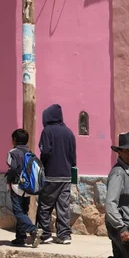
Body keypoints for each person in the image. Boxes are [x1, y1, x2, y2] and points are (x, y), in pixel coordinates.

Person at [37, 104, 77, 244]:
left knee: (45, 205)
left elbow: (45, 151)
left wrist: (43, 164)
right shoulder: (69, 132)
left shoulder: (47, 131)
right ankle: (64, 235)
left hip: (51, 175)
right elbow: (73, 156)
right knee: (63, 206)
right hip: (66, 175)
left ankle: (45, 234)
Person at [5, 129, 42, 248]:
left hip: (17, 186)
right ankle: (20, 237)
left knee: (18, 212)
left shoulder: (13, 152)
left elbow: (13, 168)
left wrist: (8, 181)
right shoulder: (30, 152)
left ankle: (33, 230)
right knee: (23, 210)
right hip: (27, 187)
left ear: (14, 140)